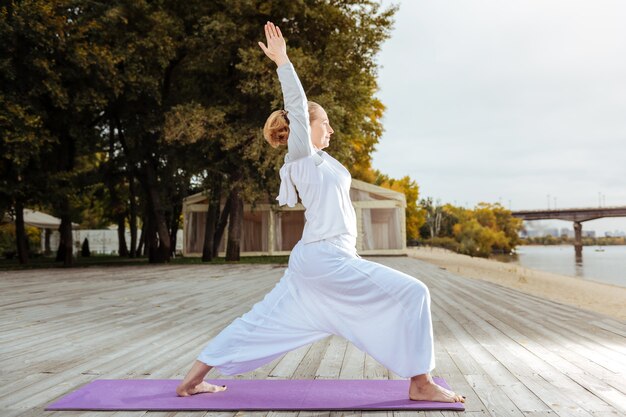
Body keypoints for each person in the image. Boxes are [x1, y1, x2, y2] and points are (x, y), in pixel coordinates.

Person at [176, 21, 465, 404]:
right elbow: (296, 102)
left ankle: (191, 381)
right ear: (302, 129)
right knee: (415, 292)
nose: (330, 129)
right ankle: (420, 382)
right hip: (325, 257)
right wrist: (283, 62)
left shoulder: (322, 161)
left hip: (317, 260)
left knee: (259, 321)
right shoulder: (303, 158)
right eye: (323, 123)